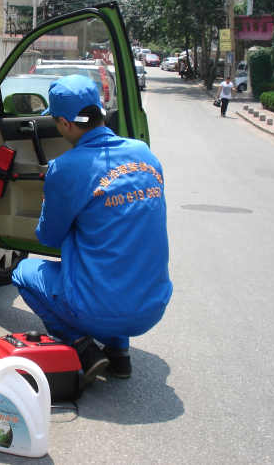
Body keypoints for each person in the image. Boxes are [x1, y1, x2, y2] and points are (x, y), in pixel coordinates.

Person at [11, 74, 172, 385]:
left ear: (66, 124)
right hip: (153, 304)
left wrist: (55, 197)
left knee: (24, 273)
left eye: (56, 122)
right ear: (99, 109)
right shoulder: (145, 154)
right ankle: (119, 354)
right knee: (119, 257)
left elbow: (49, 237)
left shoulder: (67, 167)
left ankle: (83, 348)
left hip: (98, 308)